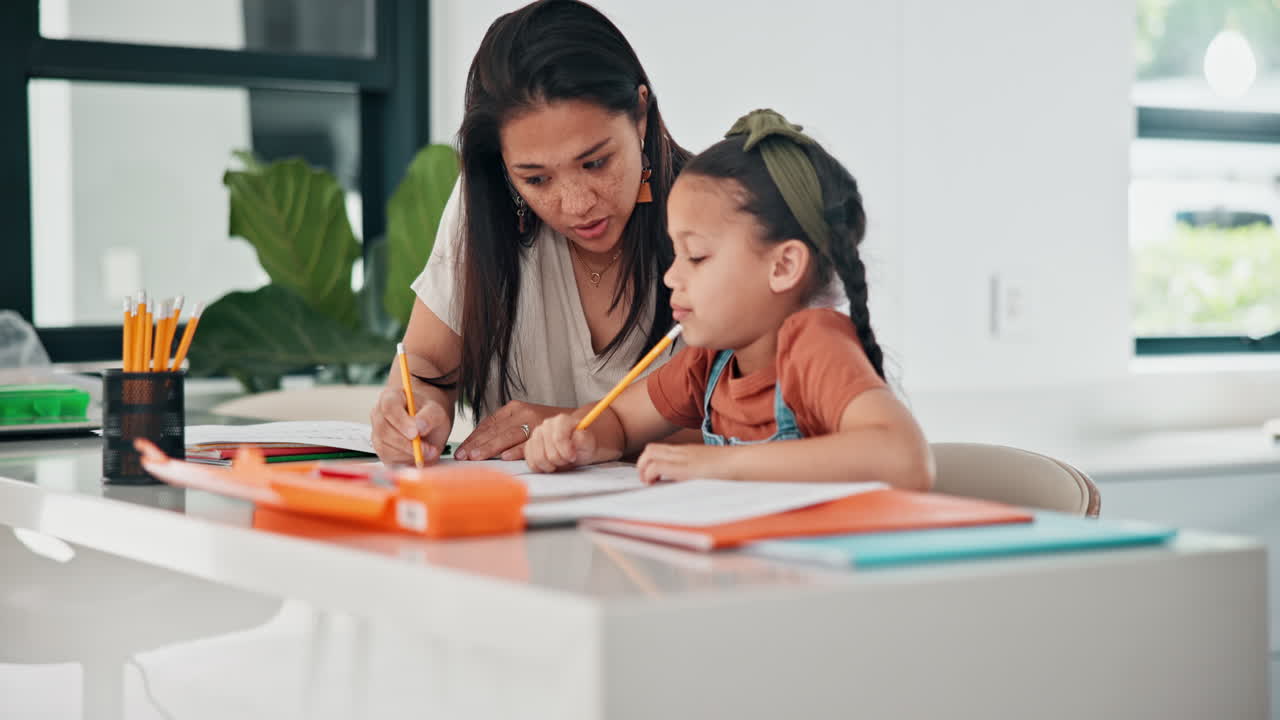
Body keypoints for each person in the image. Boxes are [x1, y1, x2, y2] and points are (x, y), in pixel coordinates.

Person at [524, 109, 935, 489]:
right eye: (676, 253)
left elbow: (904, 458)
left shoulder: (814, 344)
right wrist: (581, 439)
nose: (671, 275)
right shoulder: (711, 362)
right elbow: (618, 422)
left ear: (783, 266)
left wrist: (715, 464)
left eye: (697, 256)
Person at [370, 0, 693, 465]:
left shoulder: (712, 218)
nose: (577, 204)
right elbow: (424, 371)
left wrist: (578, 429)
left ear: (640, 114)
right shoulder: (484, 209)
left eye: (596, 162)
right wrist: (412, 412)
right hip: (513, 523)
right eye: (536, 179)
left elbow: (758, 420)